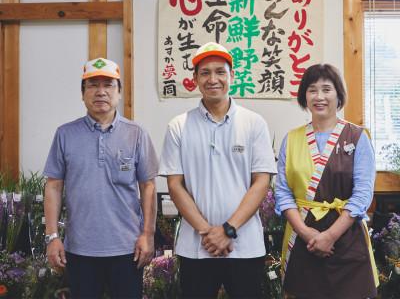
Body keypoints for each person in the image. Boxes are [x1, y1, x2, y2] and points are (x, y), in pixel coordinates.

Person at [159, 42, 276, 299]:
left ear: (232, 76)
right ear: (195, 79)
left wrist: (227, 230)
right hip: (196, 247)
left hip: (245, 247)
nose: (213, 79)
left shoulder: (254, 123)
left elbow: (261, 182)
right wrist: (208, 233)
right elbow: (175, 185)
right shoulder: (179, 126)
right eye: (205, 72)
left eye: (220, 72)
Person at [43, 57, 158, 299]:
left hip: (128, 249)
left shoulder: (136, 134)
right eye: (93, 85)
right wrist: (52, 237)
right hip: (80, 249)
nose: (100, 92)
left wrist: (147, 234)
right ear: (82, 93)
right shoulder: (65, 134)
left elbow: (147, 186)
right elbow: (53, 186)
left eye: (108, 85)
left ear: (119, 92)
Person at [275, 63, 379, 299]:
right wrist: (307, 234)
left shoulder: (358, 136)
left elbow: (363, 194)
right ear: (304, 96)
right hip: (303, 237)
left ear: (338, 95)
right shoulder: (291, 139)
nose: (319, 96)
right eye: (312, 90)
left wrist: (330, 236)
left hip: (347, 239)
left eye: (326, 89)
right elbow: (282, 192)